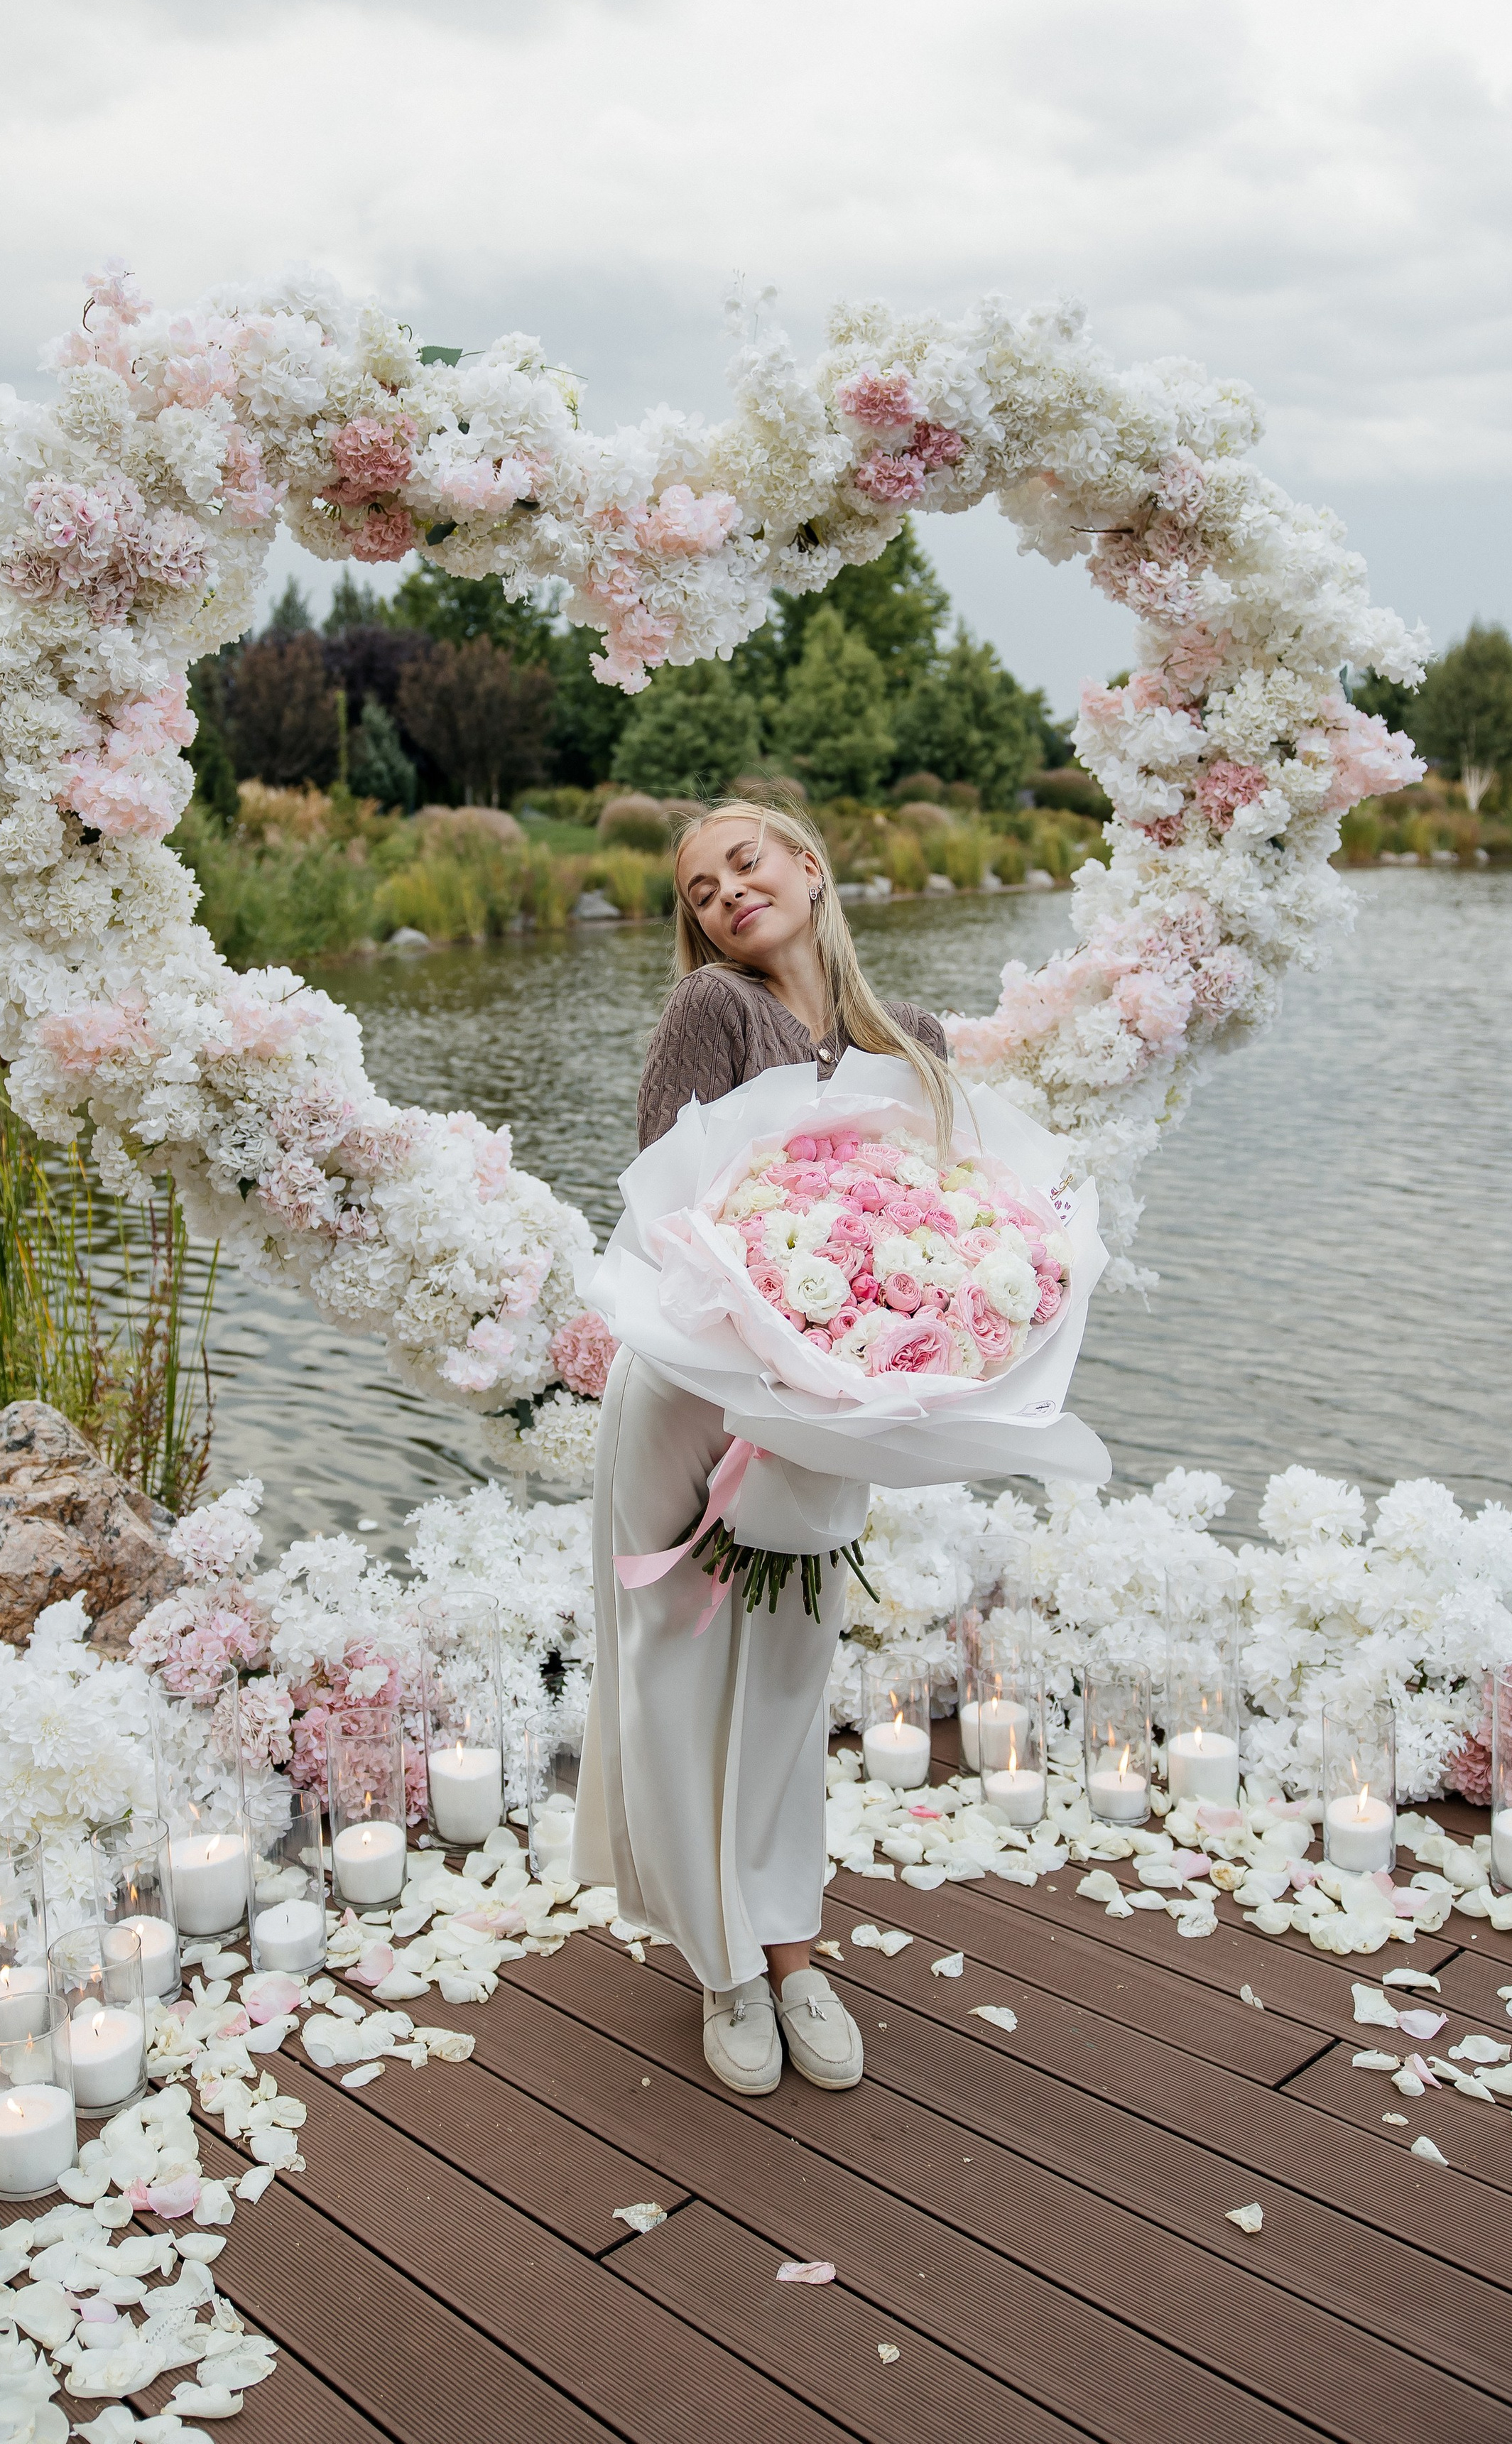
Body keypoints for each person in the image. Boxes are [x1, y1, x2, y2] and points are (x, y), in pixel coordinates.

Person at [571, 798, 952, 2097]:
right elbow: (667, 1207)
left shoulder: (913, 1041)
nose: (728, 893)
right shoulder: (716, 1011)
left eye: (746, 863)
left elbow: (949, 1225)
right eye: (701, 890)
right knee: (676, 1673)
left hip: (821, 1413)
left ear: (808, 866)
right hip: (690, 1394)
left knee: (790, 1679)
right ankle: (724, 1967)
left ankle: (795, 1955)